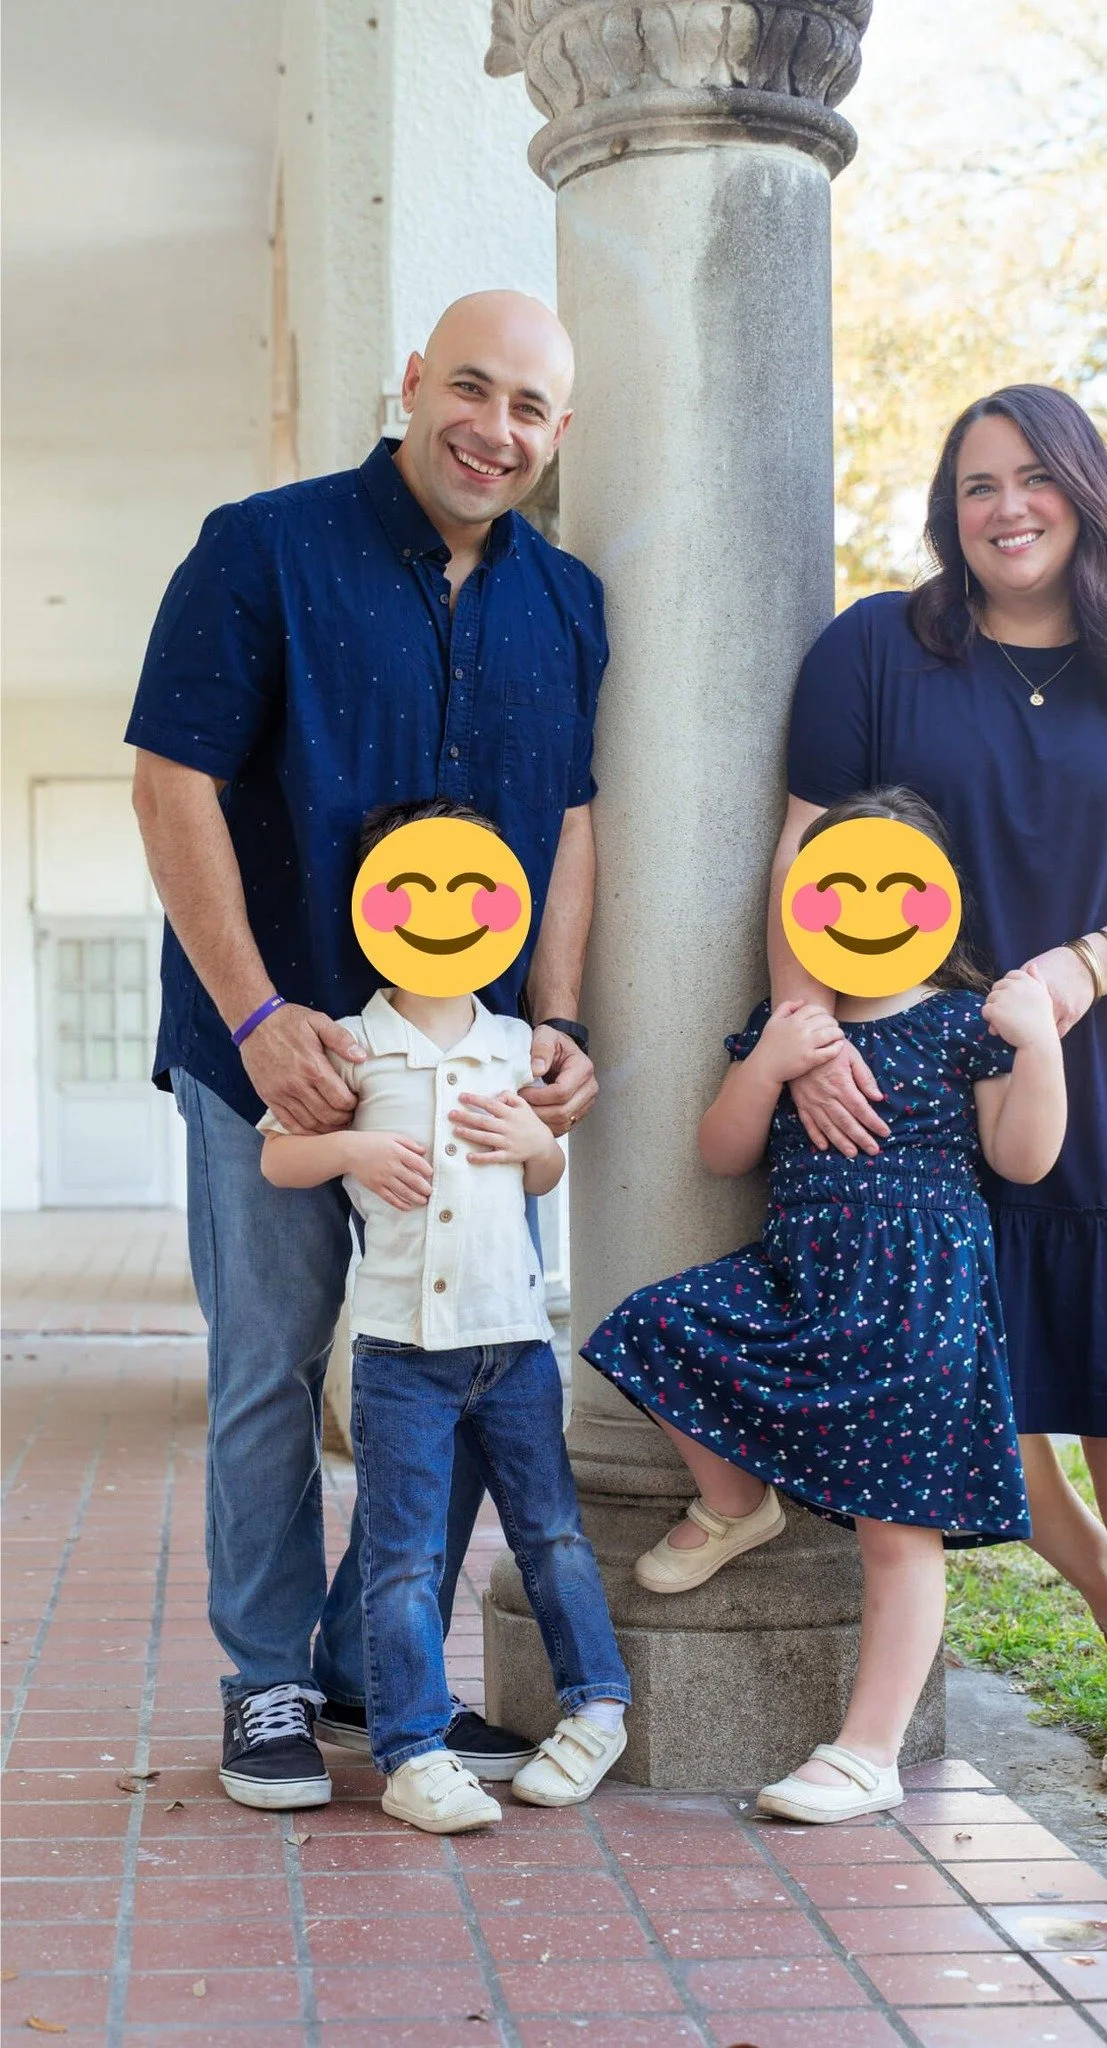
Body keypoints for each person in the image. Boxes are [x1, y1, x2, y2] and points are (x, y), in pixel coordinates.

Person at [771, 385, 1107, 1783]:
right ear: (944, 511)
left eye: (1034, 478)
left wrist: (1083, 971)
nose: (1006, 506)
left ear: (1085, 492)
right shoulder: (873, 655)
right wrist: (804, 1028)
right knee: (960, 1385)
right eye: (975, 484)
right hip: (935, 1089)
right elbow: (800, 864)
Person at [126, 291, 606, 1808]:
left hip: (469, 1065)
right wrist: (265, 1020)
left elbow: (572, 827)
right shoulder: (259, 547)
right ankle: (267, 1681)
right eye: (471, 388)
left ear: (557, 433)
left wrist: (561, 1028)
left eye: (530, 407)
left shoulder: (569, 600)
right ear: (410, 384)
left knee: (469, 1362)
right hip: (273, 1048)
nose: (496, 427)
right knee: (272, 1366)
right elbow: (170, 784)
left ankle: (363, 1666)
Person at [582, 789, 1067, 1823]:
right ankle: (736, 1502)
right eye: (837, 884)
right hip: (799, 1279)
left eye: (895, 884)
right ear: (803, 903)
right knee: (649, 1324)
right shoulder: (794, 1021)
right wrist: (767, 1065)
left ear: (939, 900)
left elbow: (1022, 1156)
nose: (866, 904)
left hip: (917, 1306)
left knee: (900, 1531)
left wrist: (1043, 1045)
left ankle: (867, 1748)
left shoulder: (963, 1022)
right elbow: (723, 1152)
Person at [257, 799, 630, 1831]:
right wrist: (352, 1151)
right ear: (373, 908)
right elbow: (279, 1153)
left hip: (512, 1343)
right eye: (415, 887)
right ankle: (412, 1749)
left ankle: (597, 1706)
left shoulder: (518, 1046)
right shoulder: (349, 1047)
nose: (444, 911)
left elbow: (549, 1171)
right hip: (399, 1355)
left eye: (472, 889)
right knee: (406, 1555)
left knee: (552, 1531)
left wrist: (533, 1138)